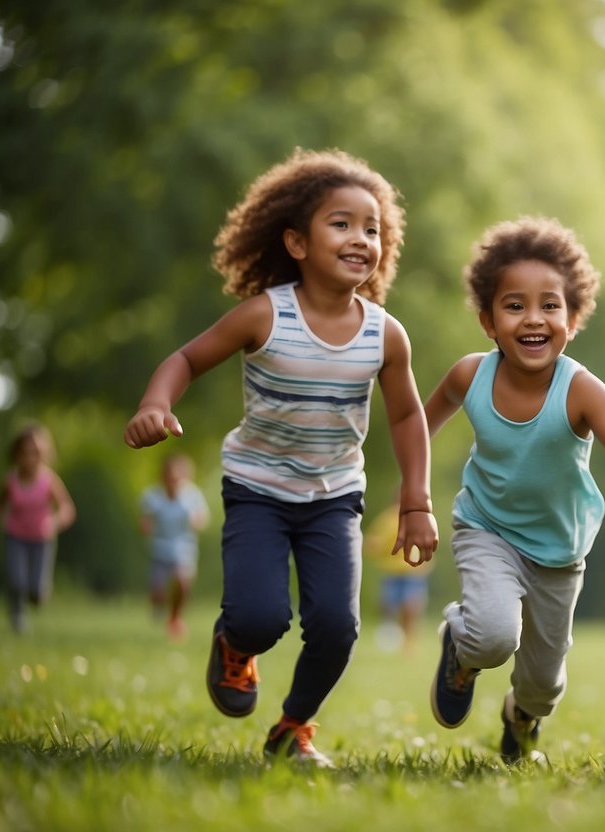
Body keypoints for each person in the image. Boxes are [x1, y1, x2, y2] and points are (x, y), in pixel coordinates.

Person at [123, 148, 438, 768]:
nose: (361, 238)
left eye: (372, 228)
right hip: (258, 489)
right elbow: (186, 359)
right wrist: (155, 402)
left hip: (334, 498)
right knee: (259, 615)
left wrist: (415, 499)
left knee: (335, 627)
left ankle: (292, 727)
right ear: (296, 242)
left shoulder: (385, 333)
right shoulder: (265, 314)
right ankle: (234, 646)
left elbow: (406, 415)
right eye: (341, 224)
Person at [424, 216, 605, 764]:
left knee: (544, 683)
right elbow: (416, 425)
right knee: (491, 635)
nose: (533, 319)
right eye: (514, 306)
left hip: (559, 550)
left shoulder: (581, 389)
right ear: (487, 319)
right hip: (487, 528)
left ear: (573, 318)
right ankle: (461, 651)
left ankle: (520, 717)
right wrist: (412, 490)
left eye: (550, 305)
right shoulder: (469, 376)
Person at [0, 423, 77, 633]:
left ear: (45, 454)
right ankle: (17, 617)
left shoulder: (49, 480)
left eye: (36, 453)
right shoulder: (11, 481)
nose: (30, 459)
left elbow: (67, 508)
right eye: (25, 453)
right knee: (16, 580)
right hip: (15, 536)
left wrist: (55, 521)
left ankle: (36, 596)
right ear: (17, 455)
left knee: (37, 592)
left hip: (42, 539)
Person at [139, 453, 209, 641]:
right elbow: (144, 519)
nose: (174, 481)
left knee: (183, 583)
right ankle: (158, 604)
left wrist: (196, 521)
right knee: (158, 591)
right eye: (170, 477)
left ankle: (175, 619)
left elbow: (202, 518)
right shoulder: (153, 496)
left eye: (178, 477)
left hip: (184, 547)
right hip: (160, 548)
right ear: (163, 476)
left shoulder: (192, 495)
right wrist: (146, 525)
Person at [362, 502, 433, 655]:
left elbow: (428, 541)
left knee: (410, 606)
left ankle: (409, 643)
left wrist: (427, 562)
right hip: (391, 571)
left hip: (413, 571)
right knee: (388, 604)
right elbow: (374, 541)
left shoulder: (420, 518)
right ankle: (389, 634)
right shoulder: (387, 519)